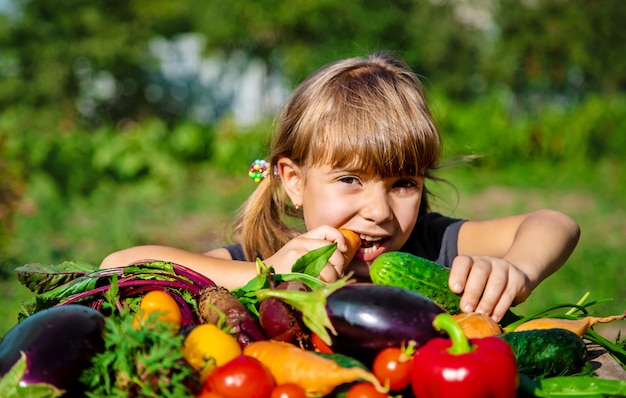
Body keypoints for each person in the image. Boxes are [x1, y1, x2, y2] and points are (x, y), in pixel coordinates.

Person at [101, 51, 580, 322]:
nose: (379, 211)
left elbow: (555, 223)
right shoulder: (263, 253)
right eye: (350, 179)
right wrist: (263, 274)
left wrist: (516, 271)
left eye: (403, 183)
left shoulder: (432, 246)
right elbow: (118, 265)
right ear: (292, 181)